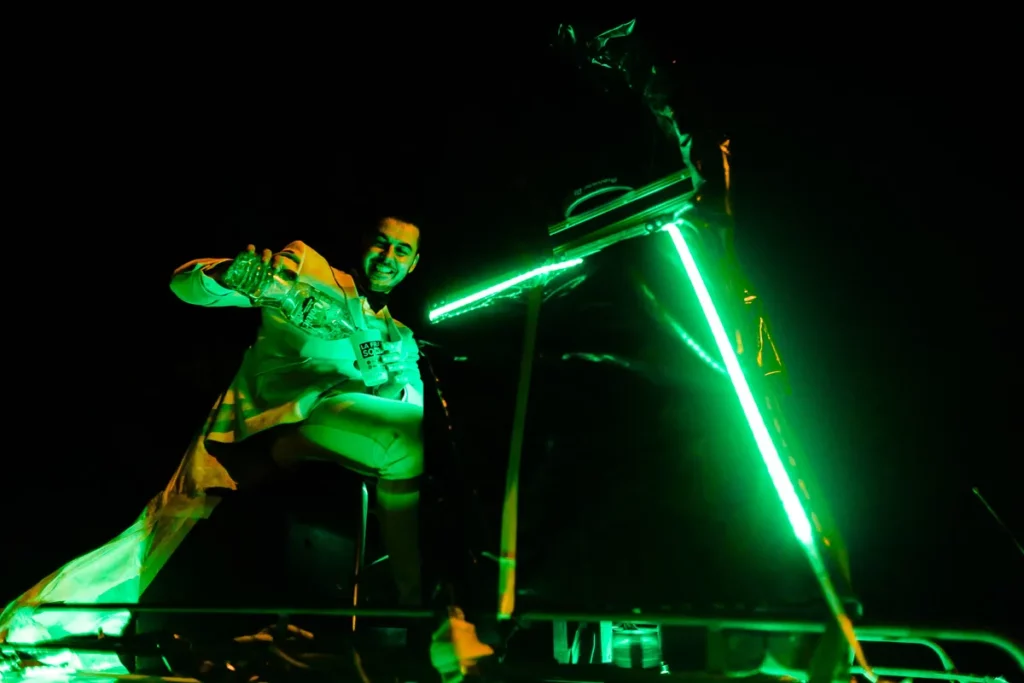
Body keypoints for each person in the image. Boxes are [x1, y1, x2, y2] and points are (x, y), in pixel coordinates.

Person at [169, 216, 426, 606]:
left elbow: (412, 408)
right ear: (363, 243)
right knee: (404, 440)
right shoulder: (310, 268)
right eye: (381, 243)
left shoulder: (401, 336)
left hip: (340, 424)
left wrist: (393, 383)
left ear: (413, 263)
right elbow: (184, 285)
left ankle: (419, 600)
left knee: (418, 440)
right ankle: (416, 603)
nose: (388, 256)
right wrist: (227, 273)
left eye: (401, 250)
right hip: (280, 418)